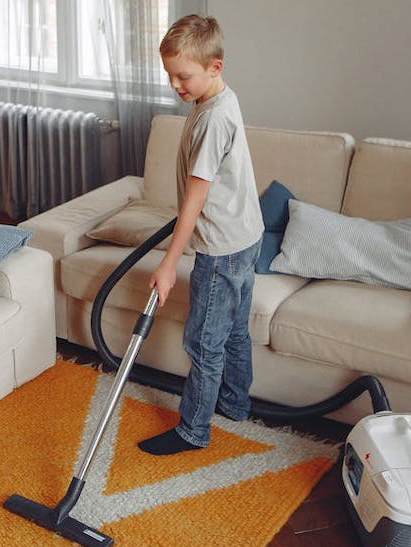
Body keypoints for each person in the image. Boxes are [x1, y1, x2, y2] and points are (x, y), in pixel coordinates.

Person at [138, 14, 264, 456]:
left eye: (183, 75)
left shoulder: (212, 120)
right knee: (234, 333)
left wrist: (169, 264)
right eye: (170, 74)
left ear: (216, 67)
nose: (175, 84)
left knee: (205, 341)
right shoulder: (218, 101)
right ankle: (234, 405)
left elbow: (195, 198)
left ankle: (193, 431)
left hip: (223, 248)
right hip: (247, 235)